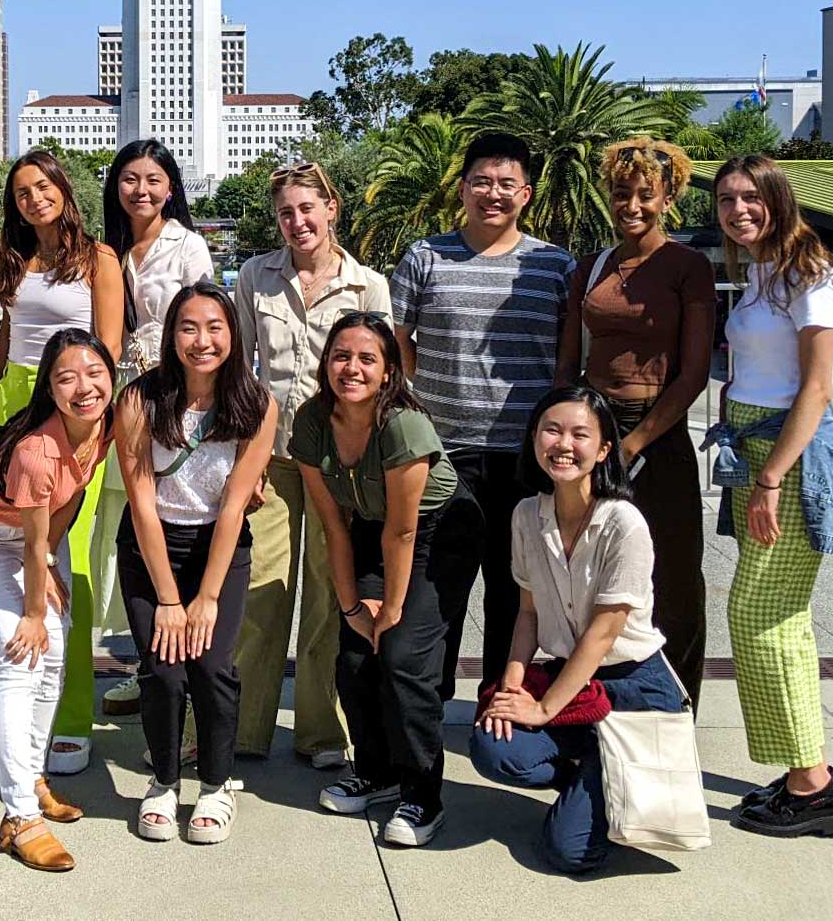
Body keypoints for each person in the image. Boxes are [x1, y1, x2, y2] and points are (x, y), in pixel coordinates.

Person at [711, 154, 833, 837]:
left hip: (791, 458)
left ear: (777, 200)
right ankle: (800, 775)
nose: (737, 210)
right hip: (755, 446)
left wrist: (770, 478)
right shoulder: (758, 273)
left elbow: (814, 388)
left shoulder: (809, 274)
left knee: (759, 613)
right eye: (726, 199)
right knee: (779, 616)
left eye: (750, 198)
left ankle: (813, 785)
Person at [469, 385, 689, 874]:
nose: (563, 444)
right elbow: (527, 614)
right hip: (573, 679)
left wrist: (545, 708)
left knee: (570, 854)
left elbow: (604, 634)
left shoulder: (623, 523)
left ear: (604, 448)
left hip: (632, 687)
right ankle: (590, 772)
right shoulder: (527, 515)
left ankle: (604, 778)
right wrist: (510, 689)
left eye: (580, 434)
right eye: (551, 430)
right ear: (533, 439)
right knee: (492, 743)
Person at [390, 131, 575, 689]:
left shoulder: (554, 266)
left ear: (526, 193)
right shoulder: (425, 257)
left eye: (505, 184)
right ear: (463, 188)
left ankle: (500, 697)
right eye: (481, 182)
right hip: (443, 452)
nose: (492, 194)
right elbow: (400, 343)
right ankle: (428, 697)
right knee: (438, 584)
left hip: (525, 456)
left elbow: (567, 358)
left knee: (515, 585)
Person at [299, 313, 477, 848]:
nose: (351, 368)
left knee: (401, 656)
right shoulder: (311, 422)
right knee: (353, 654)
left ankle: (424, 794)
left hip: (439, 532)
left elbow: (405, 532)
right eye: (340, 356)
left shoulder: (402, 424)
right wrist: (354, 609)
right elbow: (333, 524)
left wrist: (392, 611)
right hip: (373, 529)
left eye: (367, 359)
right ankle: (376, 770)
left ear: (388, 371)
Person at [231, 161, 383, 768]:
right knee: (262, 591)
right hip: (272, 458)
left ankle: (321, 732)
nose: (297, 222)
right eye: (286, 213)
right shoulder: (255, 277)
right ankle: (243, 726)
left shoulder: (367, 285)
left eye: (307, 209)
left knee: (328, 596)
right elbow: (239, 369)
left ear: (331, 209)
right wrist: (244, 456)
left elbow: (376, 373)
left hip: (336, 463)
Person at [555, 138, 716, 709]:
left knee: (672, 579)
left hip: (658, 429)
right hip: (595, 426)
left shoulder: (687, 267)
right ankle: (596, 700)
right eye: (622, 194)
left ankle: (678, 705)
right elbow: (567, 363)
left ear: (668, 197)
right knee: (590, 569)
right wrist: (569, 432)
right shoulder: (591, 267)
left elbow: (694, 372)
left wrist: (635, 442)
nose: (633, 206)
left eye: (646, 195)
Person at [116, 284, 276, 844]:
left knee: (211, 668)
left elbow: (234, 505)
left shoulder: (256, 404)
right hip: (150, 547)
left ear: (233, 335)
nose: (201, 340)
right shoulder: (139, 399)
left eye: (214, 327)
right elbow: (139, 501)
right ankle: (162, 782)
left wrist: (206, 598)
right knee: (162, 668)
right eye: (188, 327)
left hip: (218, 549)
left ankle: (213, 784)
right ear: (171, 335)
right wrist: (167, 600)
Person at [0, 328, 116, 873]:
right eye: (67, 377)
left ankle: (31, 775)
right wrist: (32, 606)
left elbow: (67, 505)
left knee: (55, 663)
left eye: (95, 373)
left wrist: (49, 562)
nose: (84, 387)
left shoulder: (104, 425)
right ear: (49, 387)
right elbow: (27, 539)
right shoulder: (36, 452)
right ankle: (20, 816)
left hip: (39, 537)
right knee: (22, 658)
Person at [0, 149, 124, 774]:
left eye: (43, 186)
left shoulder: (98, 260)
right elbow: (5, 338)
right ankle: (28, 694)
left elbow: (109, 351)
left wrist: (92, 422)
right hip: (14, 402)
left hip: (72, 405)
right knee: (18, 550)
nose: (34, 198)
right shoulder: (17, 258)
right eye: (22, 192)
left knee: (65, 556)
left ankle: (71, 712)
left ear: (64, 191)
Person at [97, 139, 213, 720]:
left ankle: (188, 682)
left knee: (173, 520)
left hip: (174, 393)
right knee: (131, 529)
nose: (141, 191)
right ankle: (150, 666)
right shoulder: (111, 248)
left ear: (171, 188)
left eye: (153, 180)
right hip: (124, 395)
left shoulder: (187, 246)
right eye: (129, 179)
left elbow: (209, 324)